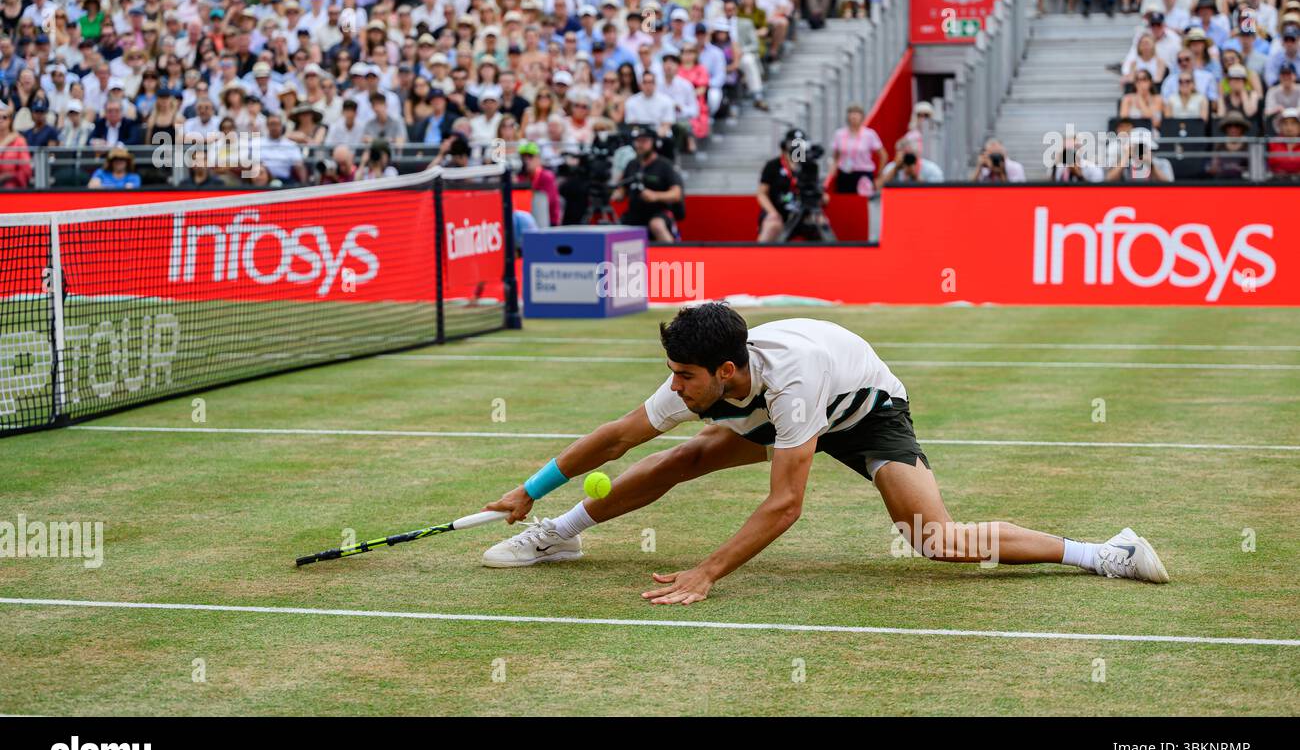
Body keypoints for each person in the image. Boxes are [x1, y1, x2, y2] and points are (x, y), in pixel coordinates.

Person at [479, 304, 1170, 599]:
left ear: (724, 371)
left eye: (684, 376)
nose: (673, 386)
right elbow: (616, 437)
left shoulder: (790, 381)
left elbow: (785, 506)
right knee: (676, 456)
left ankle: (1107, 552)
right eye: (672, 373)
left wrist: (707, 572)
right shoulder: (698, 381)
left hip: (866, 411)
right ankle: (558, 538)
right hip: (794, 410)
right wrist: (529, 490)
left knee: (935, 539)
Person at [613, 126, 682, 243]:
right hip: (634, 213)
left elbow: (676, 194)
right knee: (616, 230)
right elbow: (622, 189)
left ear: (654, 143)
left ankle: (673, 257)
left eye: (644, 141)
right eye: (637, 141)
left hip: (659, 212)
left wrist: (655, 196)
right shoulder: (632, 164)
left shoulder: (664, 165)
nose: (640, 145)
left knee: (656, 225)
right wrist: (616, 194)